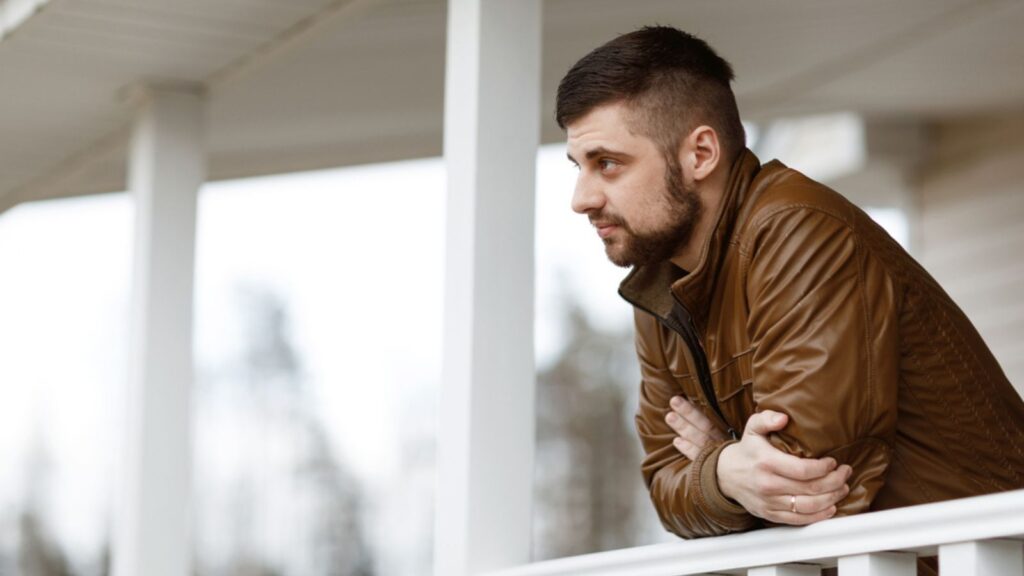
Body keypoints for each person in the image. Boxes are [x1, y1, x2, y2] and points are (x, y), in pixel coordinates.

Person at [556, 24, 1024, 571]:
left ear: (700, 153)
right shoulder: (660, 285)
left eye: (608, 163)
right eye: (578, 167)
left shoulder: (798, 231)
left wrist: (713, 461)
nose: (581, 199)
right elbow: (664, 483)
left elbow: (810, 479)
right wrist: (727, 470)